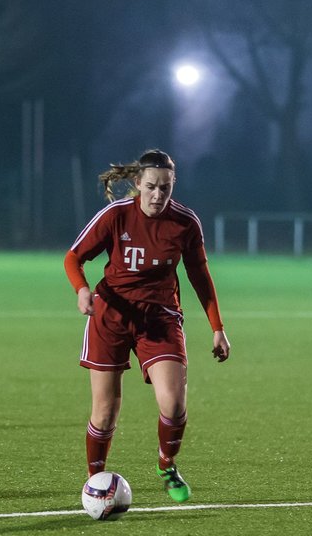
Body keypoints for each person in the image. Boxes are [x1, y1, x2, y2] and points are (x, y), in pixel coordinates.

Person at [63, 149, 231, 502]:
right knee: (105, 411)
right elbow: (74, 257)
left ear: (174, 186)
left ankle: (166, 464)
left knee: (173, 404)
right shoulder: (116, 215)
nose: (158, 195)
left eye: (166, 188)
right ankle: (97, 484)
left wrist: (217, 327)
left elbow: (200, 274)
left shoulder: (185, 222)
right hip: (111, 315)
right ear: (137, 184)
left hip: (160, 318)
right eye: (151, 187)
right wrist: (82, 291)